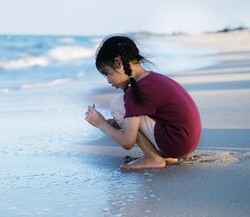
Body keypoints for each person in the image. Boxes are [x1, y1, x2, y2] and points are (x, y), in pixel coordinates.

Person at [85, 34, 201, 170]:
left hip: (176, 143)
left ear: (118, 63)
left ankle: (153, 158)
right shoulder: (151, 79)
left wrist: (101, 124)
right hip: (185, 142)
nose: (109, 81)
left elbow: (127, 142)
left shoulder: (136, 90)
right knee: (123, 106)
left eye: (108, 74)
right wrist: (116, 123)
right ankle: (161, 154)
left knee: (117, 104)